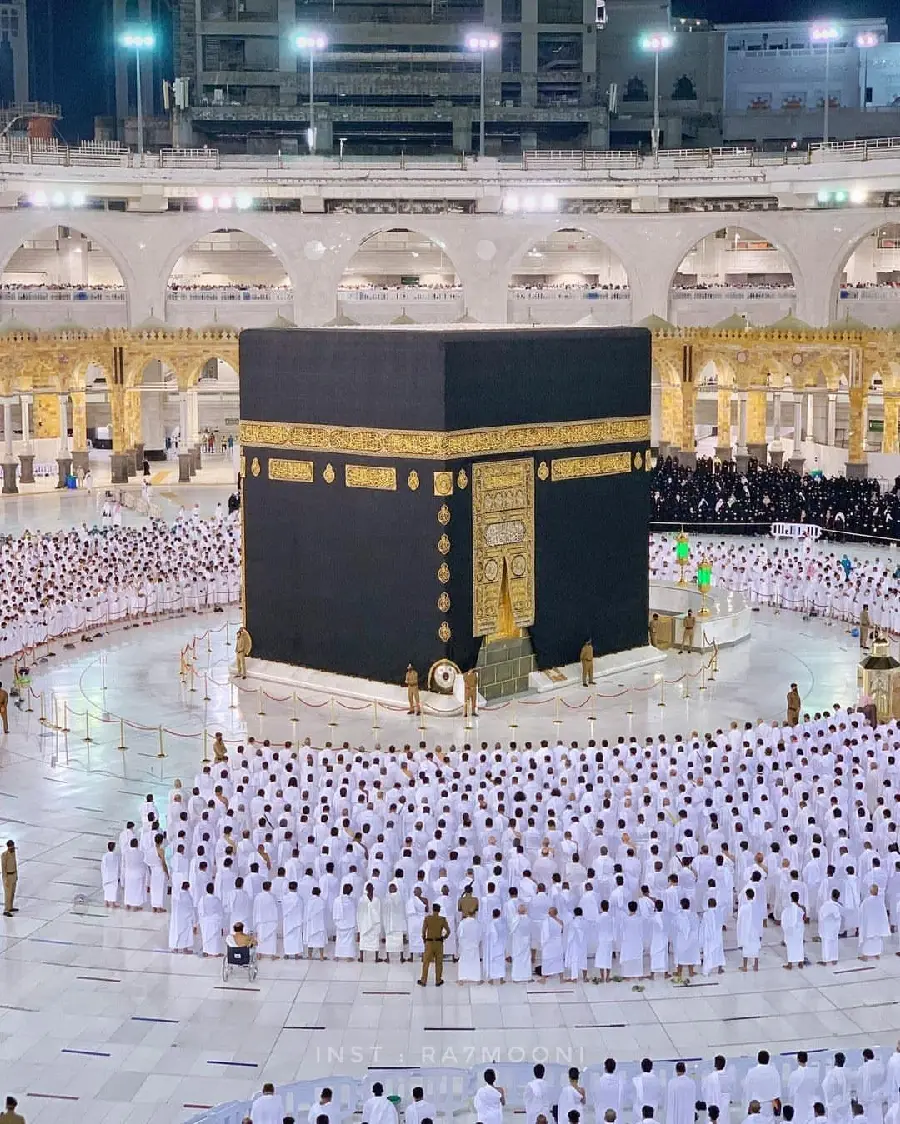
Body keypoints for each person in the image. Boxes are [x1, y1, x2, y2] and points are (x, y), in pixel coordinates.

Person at [418, 902, 449, 986]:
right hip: (439, 943)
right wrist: (444, 937)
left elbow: (423, 931)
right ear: (439, 910)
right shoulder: (442, 919)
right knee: (439, 962)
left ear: (432, 910)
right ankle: (438, 980)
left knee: (426, 962)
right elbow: (448, 931)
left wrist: (424, 939)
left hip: (429, 942)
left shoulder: (427, 918)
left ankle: (423, 980)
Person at [2, 840, 17, 917]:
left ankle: (10, 907)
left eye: (13, 846)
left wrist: (16, 875)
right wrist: (5, 879)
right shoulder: (4, 855)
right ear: (8, 846)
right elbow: (3, 868)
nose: (13, 847)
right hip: (8, 876)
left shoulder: (13, 853)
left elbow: (15, 863)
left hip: (13, 875)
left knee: (12, 892)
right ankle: (6, 910)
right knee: (8, 894)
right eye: (12, 846)